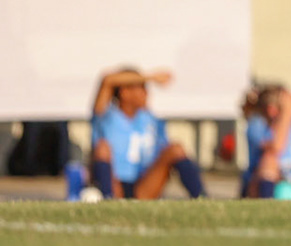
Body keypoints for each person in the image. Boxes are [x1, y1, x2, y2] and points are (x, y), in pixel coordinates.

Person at [89, 66, 207, 200]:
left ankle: (202, 198)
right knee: (102, 148)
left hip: (143, 184)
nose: (146, 93)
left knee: (176, 149)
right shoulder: (107, 116)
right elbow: (107, 80)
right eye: (141, 87)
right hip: (115, 182)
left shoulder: (149, 119)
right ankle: (108, 198)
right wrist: (152, 77)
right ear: (124, 92)